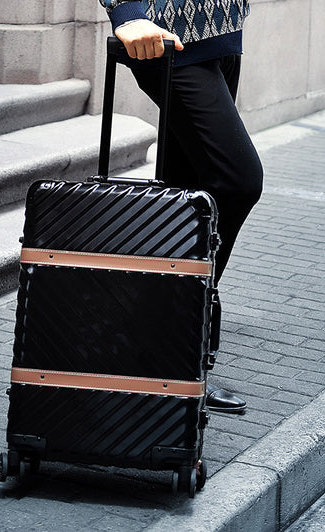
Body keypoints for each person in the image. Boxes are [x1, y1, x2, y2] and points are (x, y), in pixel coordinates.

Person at [99, 0, 263, 414]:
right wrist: (126, 12)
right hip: (163, 34)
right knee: (238, 180)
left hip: (221, 32)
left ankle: (154, 342)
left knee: (189, 189)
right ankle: (166, 340)